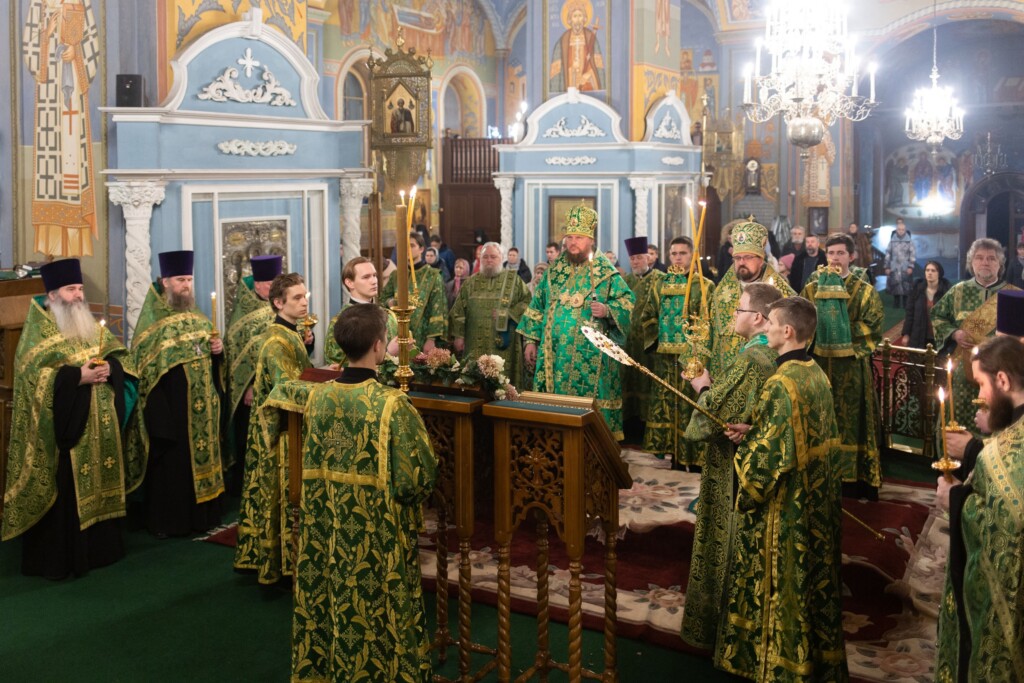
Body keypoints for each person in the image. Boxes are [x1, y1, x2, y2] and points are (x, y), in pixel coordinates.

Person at [291, 304, 437, 682]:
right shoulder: (392, 405)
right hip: (377, 539)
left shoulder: (317, 398)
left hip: (328, 530)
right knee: (378, 612)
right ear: (378, 345)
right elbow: (415, 480)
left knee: (333, 601)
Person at [715, 296, 848, 682]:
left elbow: (765, 465)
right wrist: (753, 431)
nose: (766, 327)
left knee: (784, 588)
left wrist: (746, 458)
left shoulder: (780, 382)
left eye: (770, 322)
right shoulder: (814, 373)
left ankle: (778, 666)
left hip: (786, 509)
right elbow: (793, 434)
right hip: (815, 502)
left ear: (787, 331)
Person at [2, 258, 138, 579]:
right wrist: (77, 377)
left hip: (100, 430)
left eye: (79, 288)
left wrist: (110, 369)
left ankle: (101, 550)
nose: (78, 296)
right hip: (65, 438)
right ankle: (66, 556)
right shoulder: (38, 334)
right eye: (70, 289)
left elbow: (121, 359)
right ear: (52, 295)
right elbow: (32, 380)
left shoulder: (91, 329)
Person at [680, 282, 780, 651]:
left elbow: (710, 420)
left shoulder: (752, 359)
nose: (732, 315)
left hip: (735, 471)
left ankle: (723, 630)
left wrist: (701, 386)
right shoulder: (773, 352)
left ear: (757, 318)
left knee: (731, 545)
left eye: (738, 310)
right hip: (760, 464)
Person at [935, 336, 1024, 682]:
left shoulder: (1005, 451)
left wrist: (954, 500)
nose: (981, 396)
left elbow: (1008, 525)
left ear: (1002, 380)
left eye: (982, 385)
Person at [127, 250, 224, 538]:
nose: (186, 285)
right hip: (172, 413)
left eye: (189, 279)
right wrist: (160, 419)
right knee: (173, 467)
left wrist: (218, 352)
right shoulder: (152, 323)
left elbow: (212, 356)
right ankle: (173, 523)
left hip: (203, 410)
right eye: (181, 279)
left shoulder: (197, 316)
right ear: (165, 281)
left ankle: (204, 518)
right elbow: (145, 371)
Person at [520, 205, 635, 439]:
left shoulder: (606, 272)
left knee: (590, 420)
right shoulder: (553, 273)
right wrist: (530, 340)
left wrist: (608, 310)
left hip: (594, 356)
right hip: (553, 356)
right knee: (553, 416)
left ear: (591, 240)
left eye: (579, 238)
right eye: (570, 237)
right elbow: (536, 307)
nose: (573, 242)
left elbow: (627, 303)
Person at [234, 272, 314, 584]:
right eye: (297, 298)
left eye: (305, 295)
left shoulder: (290, 333)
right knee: (279, 498)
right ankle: (279, 567)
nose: (304, 301)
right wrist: (330, 388)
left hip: (286, 429)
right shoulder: (277, 341)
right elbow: (286, 388)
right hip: (278, 434)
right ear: (278, 302)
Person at [801, 233, 885, 495]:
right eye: (831, 253)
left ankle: (855, 478)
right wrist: (817, 333)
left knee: (852, 421)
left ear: (851, 256)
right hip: (817, 366)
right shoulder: (813, 287)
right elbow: (800, 317)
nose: (835, 258)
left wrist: (838, 330)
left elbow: (873, 326)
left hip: (851, 368)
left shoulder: (864, 290)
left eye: (840, 253)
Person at [24, 0, 100, 257]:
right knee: (49, 169)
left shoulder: (82, 2)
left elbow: (92, 41)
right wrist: (46, 39)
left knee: (74, 163)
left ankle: (76, 245)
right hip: (48, 95)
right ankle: (50, 247)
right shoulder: (39, 3)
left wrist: (75, 53)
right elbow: (29, 43)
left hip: (74, 94)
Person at [931, 238, 1019, 431]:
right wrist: (954, 333)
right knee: (958, 419)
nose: (985, 262)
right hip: (963, 370)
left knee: (997, 421)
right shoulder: (958, 291)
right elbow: (937, 316)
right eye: (979, 258)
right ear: (971, 263)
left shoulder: (1014, 296)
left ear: (1000, 264)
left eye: (991, 258)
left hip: (1000, 373)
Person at [643, 236, 715, 467]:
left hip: (692, 360)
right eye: (673, 253)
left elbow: (709, 322)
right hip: (664, 359)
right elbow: (649, 315)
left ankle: (694, 458)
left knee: (689, 406)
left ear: (692, 256)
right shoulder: (659, 284)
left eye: (682, 253)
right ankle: (673, 455)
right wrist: (657, 340)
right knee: (668, 405)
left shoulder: (704, 285)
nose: (677, 258)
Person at [708, 219, 794, 380]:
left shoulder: (783, 294)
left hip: (765, 376)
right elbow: (707, 329)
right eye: (737, 258)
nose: (741, 262)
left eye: (747, 257)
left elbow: (798, 337)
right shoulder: (721, 293)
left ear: (761, 259)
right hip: (724, 374)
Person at [225, 254, 282, 492]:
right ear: (258, 285)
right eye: (270, 285)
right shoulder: (244, 315)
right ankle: (247, 485)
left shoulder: (282, 309)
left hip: (277, 386)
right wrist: (248, 386)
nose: (274, 290)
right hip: (252, 392)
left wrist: (308, 339)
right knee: (248, 438)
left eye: (277, 284)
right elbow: (236, 356)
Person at [449, 242, 533, 387]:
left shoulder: (514, 281)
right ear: (480, 259)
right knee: (474, 384)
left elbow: (528, 303)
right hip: (474, 343)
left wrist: (509, 313)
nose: (489, 260)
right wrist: (458, 336)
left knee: (503, 385)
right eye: (485, 257)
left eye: (493, 257)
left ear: (501, 258)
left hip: (505, 345)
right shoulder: (470, 282)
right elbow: (458, 311)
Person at [621, 236, 665, 432]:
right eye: (632, 259)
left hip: (649, 344)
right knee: (627, 380)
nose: (635, 262)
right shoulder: (624, 281)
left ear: (649, 258)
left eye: (639, 257)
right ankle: (629, 424)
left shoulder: (660, 279)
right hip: (627, 343)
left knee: (646, 381)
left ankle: (647, 426)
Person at [381, 231, 448, 352]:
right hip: (397, 334)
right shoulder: (396, 275)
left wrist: (431, 339)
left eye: (411, 246)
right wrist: (390, 302)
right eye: (404, 246)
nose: (407, 249)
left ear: (422, 249)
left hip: (422, 335)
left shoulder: (433, 276)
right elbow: (382, 299)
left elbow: (438, 309)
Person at [326, 257, 399, 367]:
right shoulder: (341, 321)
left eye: (374, 275)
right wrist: (388, 353)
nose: (374, 281)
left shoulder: (389, 315)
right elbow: (339, 367)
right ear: (350, 283)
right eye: (366, 277)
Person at [549, 1, 604, 92]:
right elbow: (556, 74)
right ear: (570, 20)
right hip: (569, 86)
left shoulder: (591, 38)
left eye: (580, 16)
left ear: (584, 18)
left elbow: (599, 69)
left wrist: (589, 75)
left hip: (588, 87)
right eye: (575, 16)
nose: (578, 20)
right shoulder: (563, 41)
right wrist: (572, 70)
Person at [900, 260, 951, 348]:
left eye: (933, 270)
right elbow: (910, 314)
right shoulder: (917, 290)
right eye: (927, 270)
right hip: (919, 336)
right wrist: (906, 334)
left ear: (939, 273)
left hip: (940, 337)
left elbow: (951, 316)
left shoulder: (947, 291)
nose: (929, 273)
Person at [884, 219, 916, 307]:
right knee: (895, 283)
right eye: (899, 229)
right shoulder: (891, 241)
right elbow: (888, 254)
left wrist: (911, 266)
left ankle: (906, 302)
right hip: (894, 265)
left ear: (905, 230)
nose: (901, 231)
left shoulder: (909, 242)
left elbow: (912, 254)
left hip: (906, 265)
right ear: (896, 230)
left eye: (902, 229)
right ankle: (896, 302)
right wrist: (887, 267)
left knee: (906, 284)